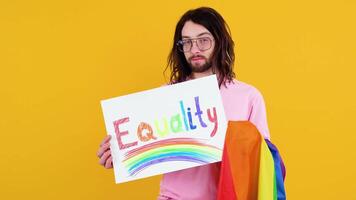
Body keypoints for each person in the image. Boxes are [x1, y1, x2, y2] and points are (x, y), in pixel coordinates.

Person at [97, 7, 271, 200]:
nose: (194, 49)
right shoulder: (164, 96)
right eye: (186, 42)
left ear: (220, 42)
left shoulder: (248, 96)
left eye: (203, 40)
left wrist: (232, 140)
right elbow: (144, 146)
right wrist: (120, 154)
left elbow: (263, 161)